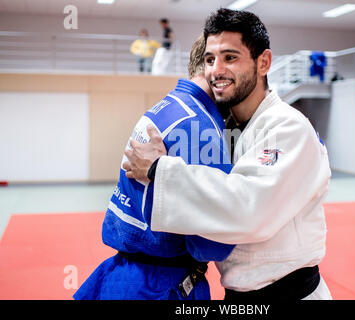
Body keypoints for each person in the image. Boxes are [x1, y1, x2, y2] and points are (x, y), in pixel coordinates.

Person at [124, 8, 333, 300]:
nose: (216, 70)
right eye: (210, 59)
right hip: (237, 293)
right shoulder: (224, 128)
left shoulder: (288, 126)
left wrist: (159, 169)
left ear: (264, 62)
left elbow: (248, 208)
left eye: (230, 57)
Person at [73, 34, 235, 300]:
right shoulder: (199, 125)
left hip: (129, 273)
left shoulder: (167, 107)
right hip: (159, 285)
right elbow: (211, 243)